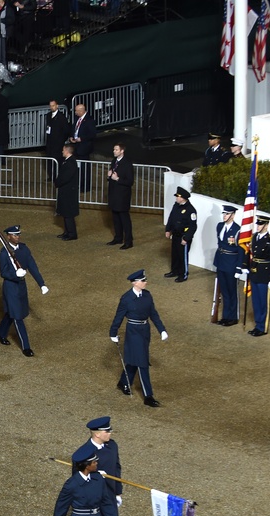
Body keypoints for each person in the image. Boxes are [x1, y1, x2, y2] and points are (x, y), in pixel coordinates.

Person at [109, 269, 167, 407]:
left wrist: (162, 329)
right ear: (135, 283)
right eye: (143, 281)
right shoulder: (126, 298)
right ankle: (148, 395)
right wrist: (113, 332)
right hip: (133, 332)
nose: (145, 282)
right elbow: (119, 316)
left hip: (144, 330)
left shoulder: (147, 295)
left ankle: (123, 381)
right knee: (142, 363)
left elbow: (153, 314)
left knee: (135, 359)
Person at [0, 225, 48, 356]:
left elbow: (32, 266)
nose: (17, 237)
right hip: (11, 286)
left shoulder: (24, 249)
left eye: (18, 235)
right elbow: (3, 273)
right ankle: (26, 346)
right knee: (17, 316)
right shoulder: (3, 253)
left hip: (21, 286)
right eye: (14, 235)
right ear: (8, 236)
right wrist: (15, 275)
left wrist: (41, 284)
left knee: (12, 313)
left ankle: (0, 333)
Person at [243, 214, 270, 336]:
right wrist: (245, 266)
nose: (258, 226)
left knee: (264, 302)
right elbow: (250, 253)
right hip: (254, 272)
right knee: (256, 301)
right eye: (258, 224)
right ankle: (258, 325)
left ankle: (262, 327)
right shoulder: (254, 237)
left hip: (265, 275)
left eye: (261, 224)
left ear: (266, 225)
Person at [213, 205, 244, 326]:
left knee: (232, 292)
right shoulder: (220, 226)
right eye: (224, 214)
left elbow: (241, 250)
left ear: (233, 215)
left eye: (227, 214)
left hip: (231, 263)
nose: (224, 216)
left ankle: (233, 317)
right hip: (221, 261)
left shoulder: (237, 230)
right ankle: (226, 316)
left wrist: (238, 267)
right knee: (224, 291)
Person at [164, 187, 197, 283]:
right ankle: (174, 271)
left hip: (183, 236)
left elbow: (193, 226)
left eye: (178, 196)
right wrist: (168, 229)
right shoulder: (176, 206)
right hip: (175, 235)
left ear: (182, 198)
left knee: (182, 256)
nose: (176, 198)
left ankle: (183, 274)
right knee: (175, 254)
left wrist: (186, 238)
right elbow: (171, 218)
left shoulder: (191, 210)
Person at [107, 142, 134, 249]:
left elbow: (130, 181)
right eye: (114, 149)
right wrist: (109, 176)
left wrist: (117, 179)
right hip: (114, 194)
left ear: (122, 151)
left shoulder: (127, 163)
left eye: (116, 150)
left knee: (124, 219)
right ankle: (118, 237)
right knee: (115, 218)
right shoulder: (114, 161)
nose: (114, 151)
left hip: (122, 196)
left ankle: (128, 241)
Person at [68, 103, 96, 191]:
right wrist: (71, 137)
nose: (75, 112)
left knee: (84, 168)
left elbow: (92, 134)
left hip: (84, 148)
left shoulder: (89, 120)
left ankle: (85, 186)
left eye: (76, 111)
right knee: (77, 167)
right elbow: (74, 129)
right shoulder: (77, 119)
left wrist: (82, 139)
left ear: (81, 110)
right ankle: (78, 184)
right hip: (76, 147)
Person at [54, 143, 79, 240]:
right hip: (65, 191)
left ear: (67, 151)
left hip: (68, 192)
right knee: (65, 212)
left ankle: (72, 233)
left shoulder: (71, 162)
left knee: (68, 213)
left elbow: (65, 177)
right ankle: (67, 231)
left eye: (63, 150)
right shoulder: (68, 161)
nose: (62, 151)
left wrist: (57, 182)